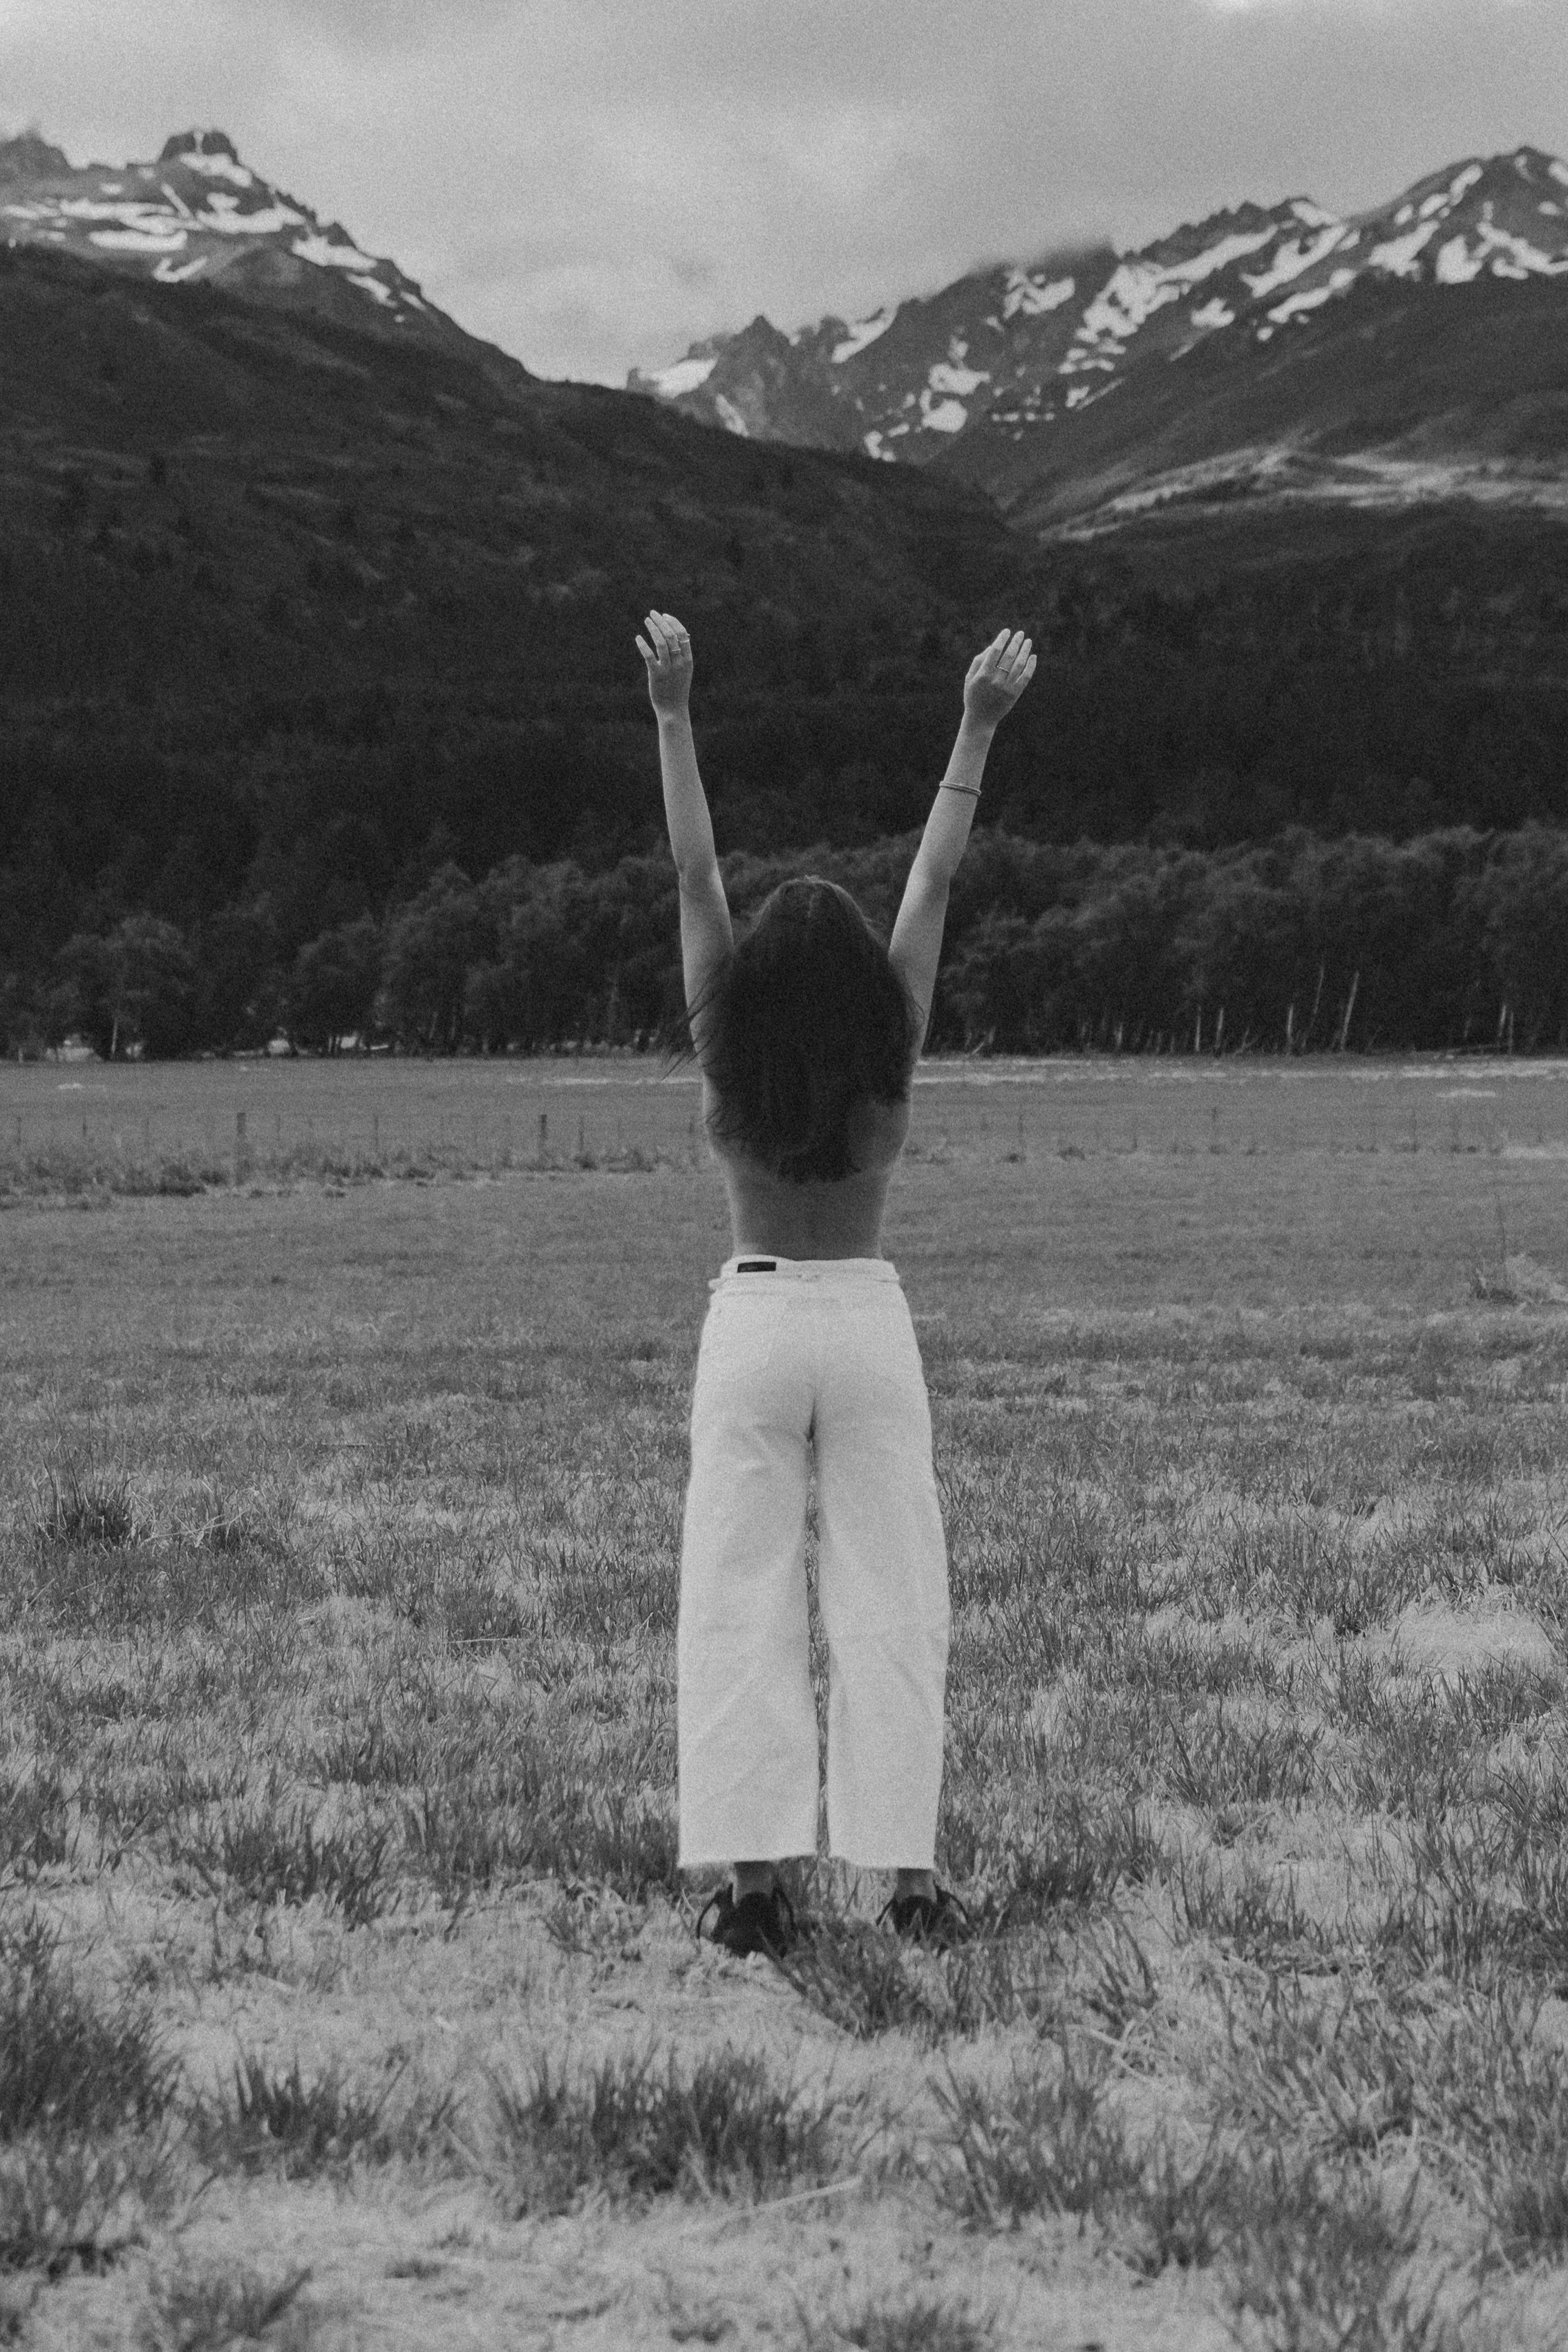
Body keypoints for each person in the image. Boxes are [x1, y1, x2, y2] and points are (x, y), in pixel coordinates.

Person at [637, 608, 1036, 1959]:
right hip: (864, 1320)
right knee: (890, 1598)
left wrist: (677, 713)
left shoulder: (723, 1033)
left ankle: (752, 1885)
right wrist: (973, 728)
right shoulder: (892, 1039)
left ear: (755, 977)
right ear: (861, 977)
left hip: (755, 1318)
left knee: (738, 1597)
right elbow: (932, 883)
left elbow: (696, 873)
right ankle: (909, 1880)